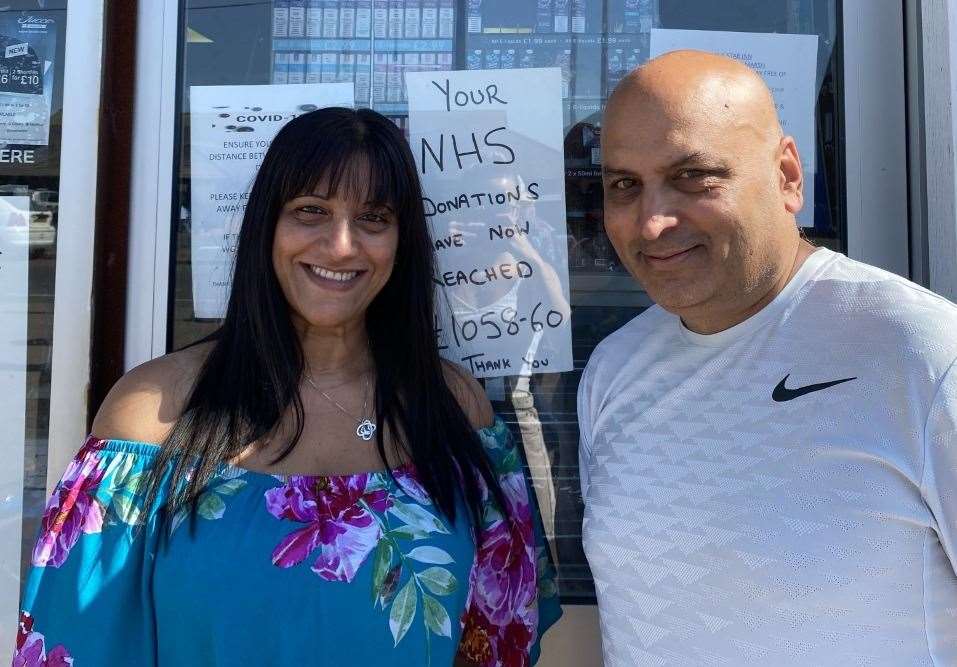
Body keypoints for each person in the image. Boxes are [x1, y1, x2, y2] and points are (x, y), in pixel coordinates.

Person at [15, 107, 560, 666]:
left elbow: (501, 636)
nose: (342, 245)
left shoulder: (453, 406)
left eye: (373, 218)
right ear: (265, 226)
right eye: (311, 211)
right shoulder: (153, 415)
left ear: (402, 241)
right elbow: (74, 647)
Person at [578, 50, 957, 665]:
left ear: (786, 176)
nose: (651, 223)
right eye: (625, 185)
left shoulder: (918, 351)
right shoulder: (614, 372)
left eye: (694, 176)